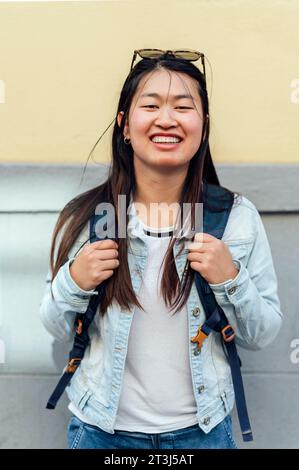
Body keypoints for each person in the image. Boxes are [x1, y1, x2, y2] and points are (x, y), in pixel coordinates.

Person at [40, 49, 283, 449]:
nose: (166, 119)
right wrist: (74, 281)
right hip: (101, 434)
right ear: (125, 125)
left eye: (183, 107)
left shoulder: (233, 217)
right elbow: (53, 324)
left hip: (204, 434)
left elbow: (262, 333)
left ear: (203, 126)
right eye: (150, 105)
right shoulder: (93, 217)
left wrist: (232, 279)